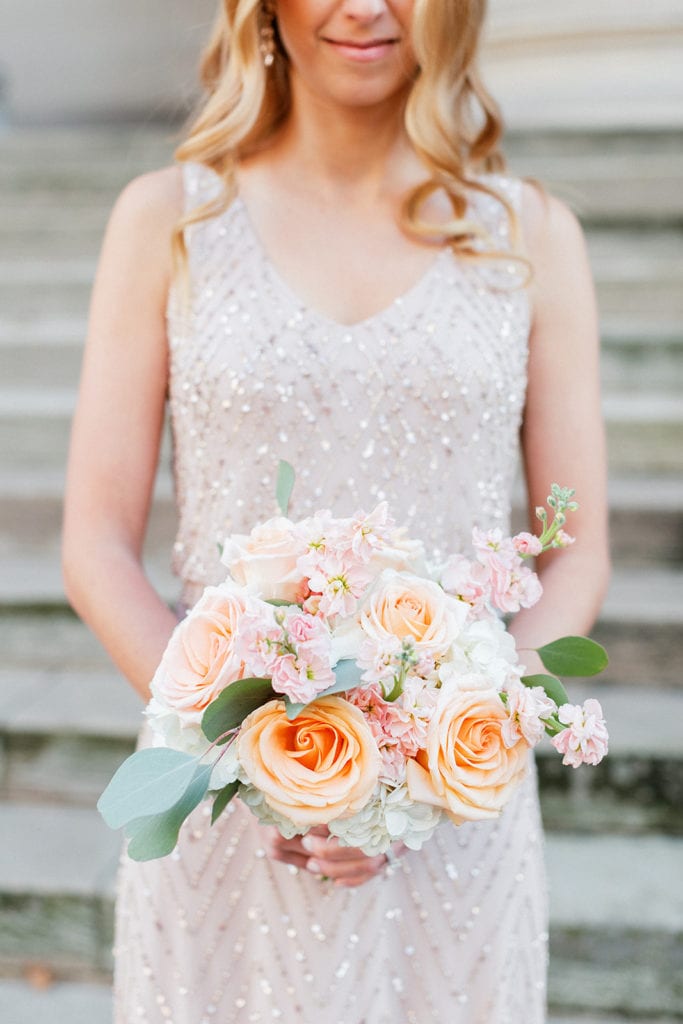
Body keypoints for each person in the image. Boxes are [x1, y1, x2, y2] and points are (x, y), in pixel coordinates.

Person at [62, 0, 610, 1021]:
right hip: (217, 804)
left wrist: (429, 767)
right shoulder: (166, 219)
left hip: (455, 819)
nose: (363, 6)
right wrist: (246, 750)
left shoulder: (530, 235)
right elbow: (95, 545)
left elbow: (572, 559)